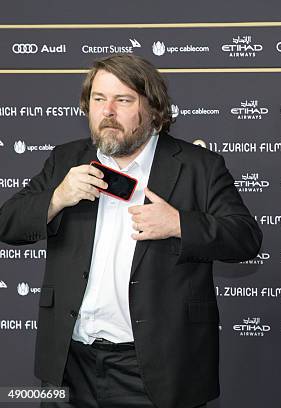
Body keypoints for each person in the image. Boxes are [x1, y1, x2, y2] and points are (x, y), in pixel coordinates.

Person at [0, 54, 262, 408]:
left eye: (122, 100)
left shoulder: (199, 166)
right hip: (70, 362)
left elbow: (246, 238)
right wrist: (57, 197)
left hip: (155, 367)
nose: (107, 111)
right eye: (98, 99)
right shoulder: (66, 161)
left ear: (153, 109)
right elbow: (8, 223)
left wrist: (180, 224)